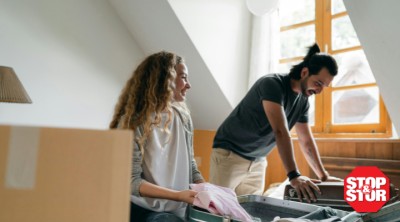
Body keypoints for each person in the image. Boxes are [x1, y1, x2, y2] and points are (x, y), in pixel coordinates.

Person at [210, 43, 342, 203]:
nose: (319, 91)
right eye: (318, 83)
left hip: (258, 161)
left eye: (324, 87)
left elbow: (306, 140)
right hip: (230, 155)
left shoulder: (303, 102)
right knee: (218, 209)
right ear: (305, 72)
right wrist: (294, 175)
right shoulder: (272, 84)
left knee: (248, 212)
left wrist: (324, 177)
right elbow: (280, 130)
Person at [110, 51, 205, 222]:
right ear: (166, 80)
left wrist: (206, 189)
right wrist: (178, 196)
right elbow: (131, 181)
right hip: (144, 210)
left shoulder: (183, 118)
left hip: (179, 210)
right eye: (183, 77)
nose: (189, 85)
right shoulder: (133, 122)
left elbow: (190, 165)